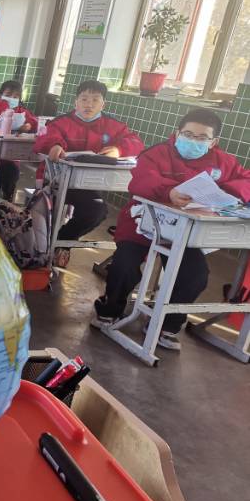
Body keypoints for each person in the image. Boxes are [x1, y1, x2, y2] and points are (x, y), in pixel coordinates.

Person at [92, 108, 250, 350]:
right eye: (188, 135)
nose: (193, 141)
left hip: (186, 234)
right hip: (144, 227)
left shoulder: (223, 162)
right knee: (124, 266)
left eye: (201, 138)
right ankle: (110, 309)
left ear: (213, 142)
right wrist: (168, 191)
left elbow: (245, 180)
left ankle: (165, 323)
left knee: (195, 275)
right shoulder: (157, 154)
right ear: (177, 134)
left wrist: (225, 192)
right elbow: (141, 180)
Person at [32, 80, 144, 267]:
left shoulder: (114, 126)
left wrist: (119, 149)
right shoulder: (61, 123)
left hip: (91, 184)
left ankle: (63, 240)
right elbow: (45, 137)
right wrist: (55, 145)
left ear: (103, 104)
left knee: (96, 211)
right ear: (75, 102)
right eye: (84, 99)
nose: (89, 104)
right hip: (57, 181)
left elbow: (135, 142)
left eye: (95, 100)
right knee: (46, 215)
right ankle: (47, 246)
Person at [0, 79, 38, 200]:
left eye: (16, 96)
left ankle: (5, 200)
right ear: (0, 95)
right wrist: (3, 105)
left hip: (10, 154)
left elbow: (34, 121)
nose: (12, 98)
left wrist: (28, 125)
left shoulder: (21, 110)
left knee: (12, 173)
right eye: (8, 95)